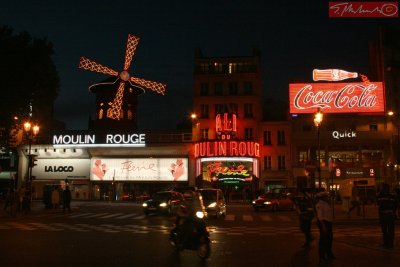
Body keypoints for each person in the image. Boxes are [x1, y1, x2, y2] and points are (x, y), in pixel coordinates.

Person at [315, 191, 335, 262]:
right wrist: (323, 226)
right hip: (324, 223)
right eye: (326, 196)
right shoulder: (320, 205)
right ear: (323, 198)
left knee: (329, 239)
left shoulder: (326, 203)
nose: (328, 197)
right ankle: (322, 256)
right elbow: (320, 217)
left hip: (328, 222)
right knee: (323, 240)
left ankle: (329, 253)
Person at [376, 183, 397, 250]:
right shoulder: (392, 195)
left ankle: (386, 243)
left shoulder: (380, 195)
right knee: (390, 230)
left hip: (383, 214)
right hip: (390, 214)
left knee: (385, 230)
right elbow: (395, 204)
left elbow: (378, 203)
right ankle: (390, 244)